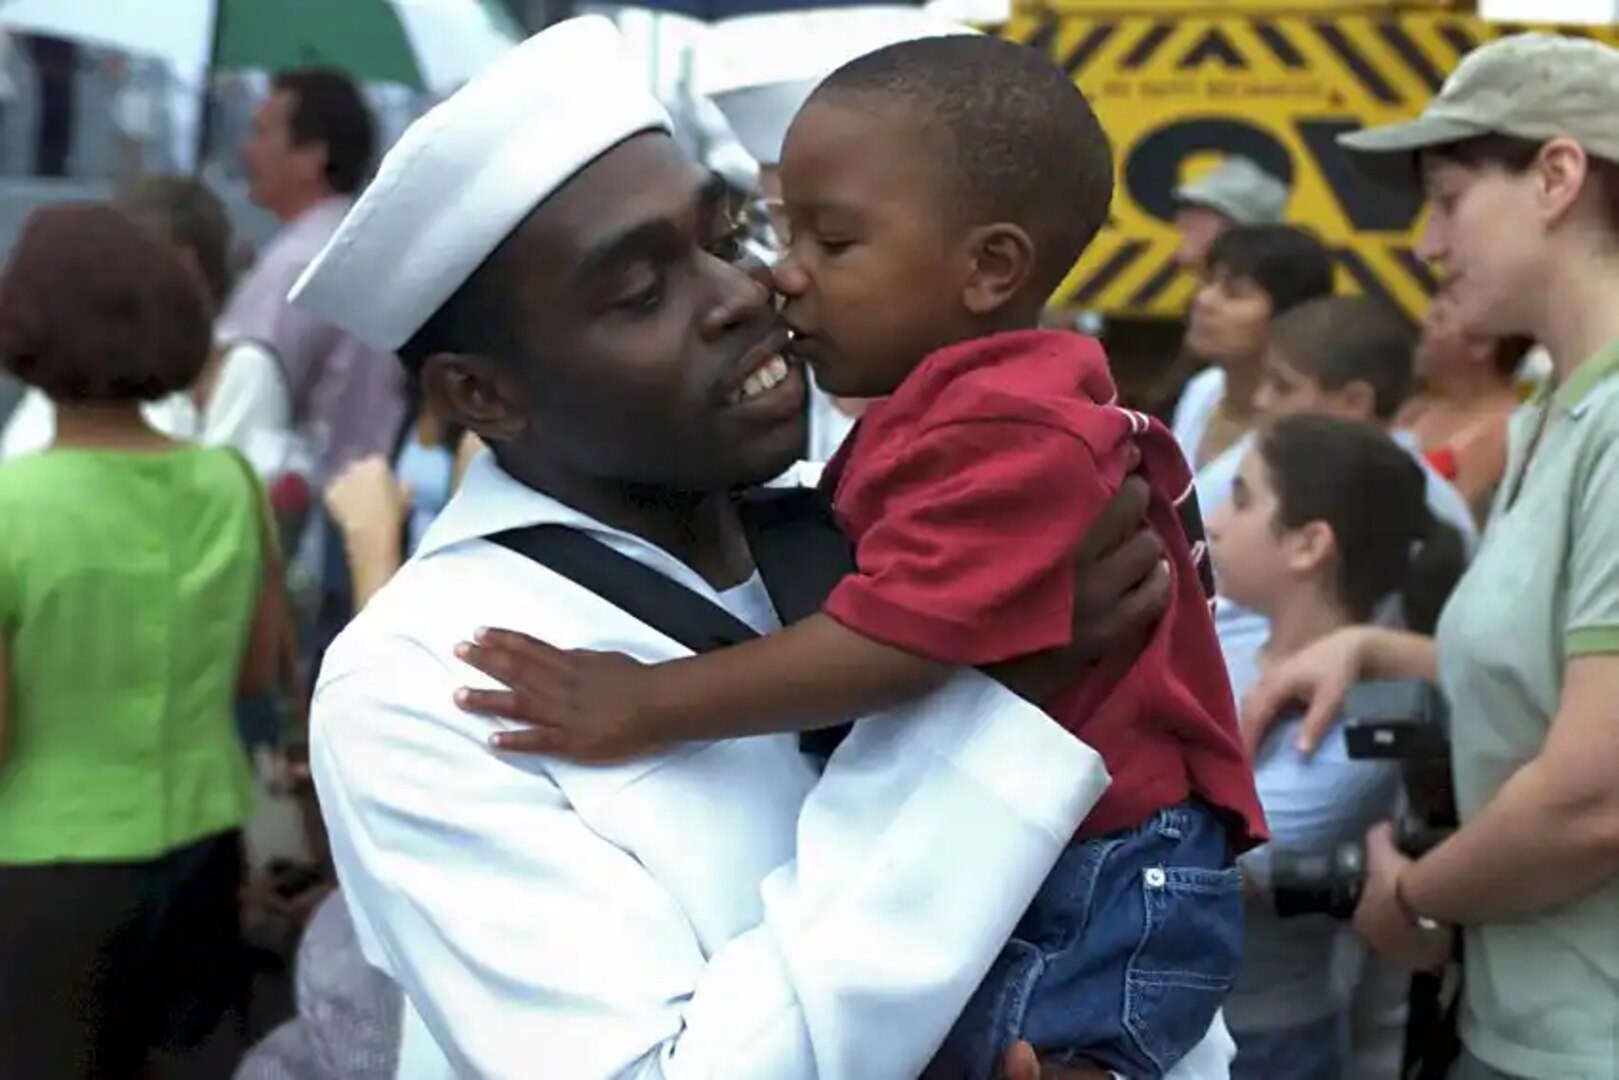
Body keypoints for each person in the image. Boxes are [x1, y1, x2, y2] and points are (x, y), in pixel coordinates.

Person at [292, 16, 1238, 1078]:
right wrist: (1000, 702)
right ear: (482, 394)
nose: (747, 290)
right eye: (645, 291)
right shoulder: (425, 683)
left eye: (730, 233)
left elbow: (1148, 935)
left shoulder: (888, 514)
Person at [1243, 33, 1619, 1080]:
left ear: (1555, 176)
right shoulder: (1557, 406)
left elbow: (1595, 800)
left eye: (1446, 198)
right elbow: (1555, 671)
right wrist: (1374, 647)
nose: (1424, 243)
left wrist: (1411, 894)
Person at [0, 206, 283, 1077]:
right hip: (201, 855)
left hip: (43, 875)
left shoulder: (12, 508)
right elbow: (255, 672)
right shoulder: (228, 481)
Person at [1203, 413, 1467, 1079]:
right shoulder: (1230, 634)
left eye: (1240, 498)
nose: (1213, 520)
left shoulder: (1361, 736)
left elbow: (1206, 861)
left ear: (1308, 545)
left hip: (1261, 1046)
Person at [223, 67, 405, 483]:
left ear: (310, 157)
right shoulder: (359, 245)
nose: (248, 150)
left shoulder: (298, 263)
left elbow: (243, 384)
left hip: (302, 500)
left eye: (262, 132)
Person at [1254, 295, 1480, 554]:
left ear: (1354, 401)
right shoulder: (1273, 462)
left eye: (1283, 387)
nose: (1260, 400)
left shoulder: (1424, 513)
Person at [1173, 225, 1336, 481]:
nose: (1204, 300)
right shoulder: (1203, 389)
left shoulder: (1304, 424)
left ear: (1290, 314)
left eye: (1234, 292)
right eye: (1207, 282)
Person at [1396, 287, 1534, 521]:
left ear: (1482, 344)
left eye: (1439, 318)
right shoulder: (1415, 412)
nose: (1422, 321)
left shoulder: (1508, 432)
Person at [1171, 157, 1291, 273]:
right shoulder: (1221, 289)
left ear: (1232, 229)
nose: (1182, 221)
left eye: (1198, 212)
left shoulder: (1256, 291)